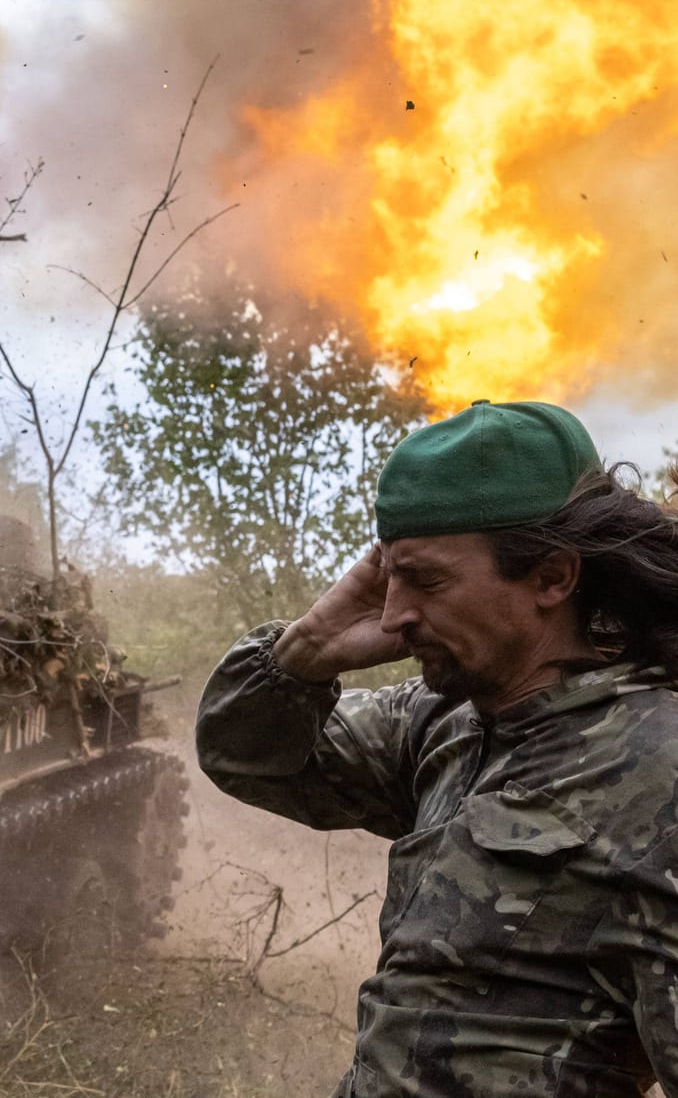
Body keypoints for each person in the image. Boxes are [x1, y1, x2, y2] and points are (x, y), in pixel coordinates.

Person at [196, 399, 678, 1097]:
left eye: (426, 581)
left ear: (552, 577)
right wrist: (304, 653)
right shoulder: (439, 725)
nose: (393, 616)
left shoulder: (655, 771)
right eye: (385, 575)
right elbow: (246, 759)